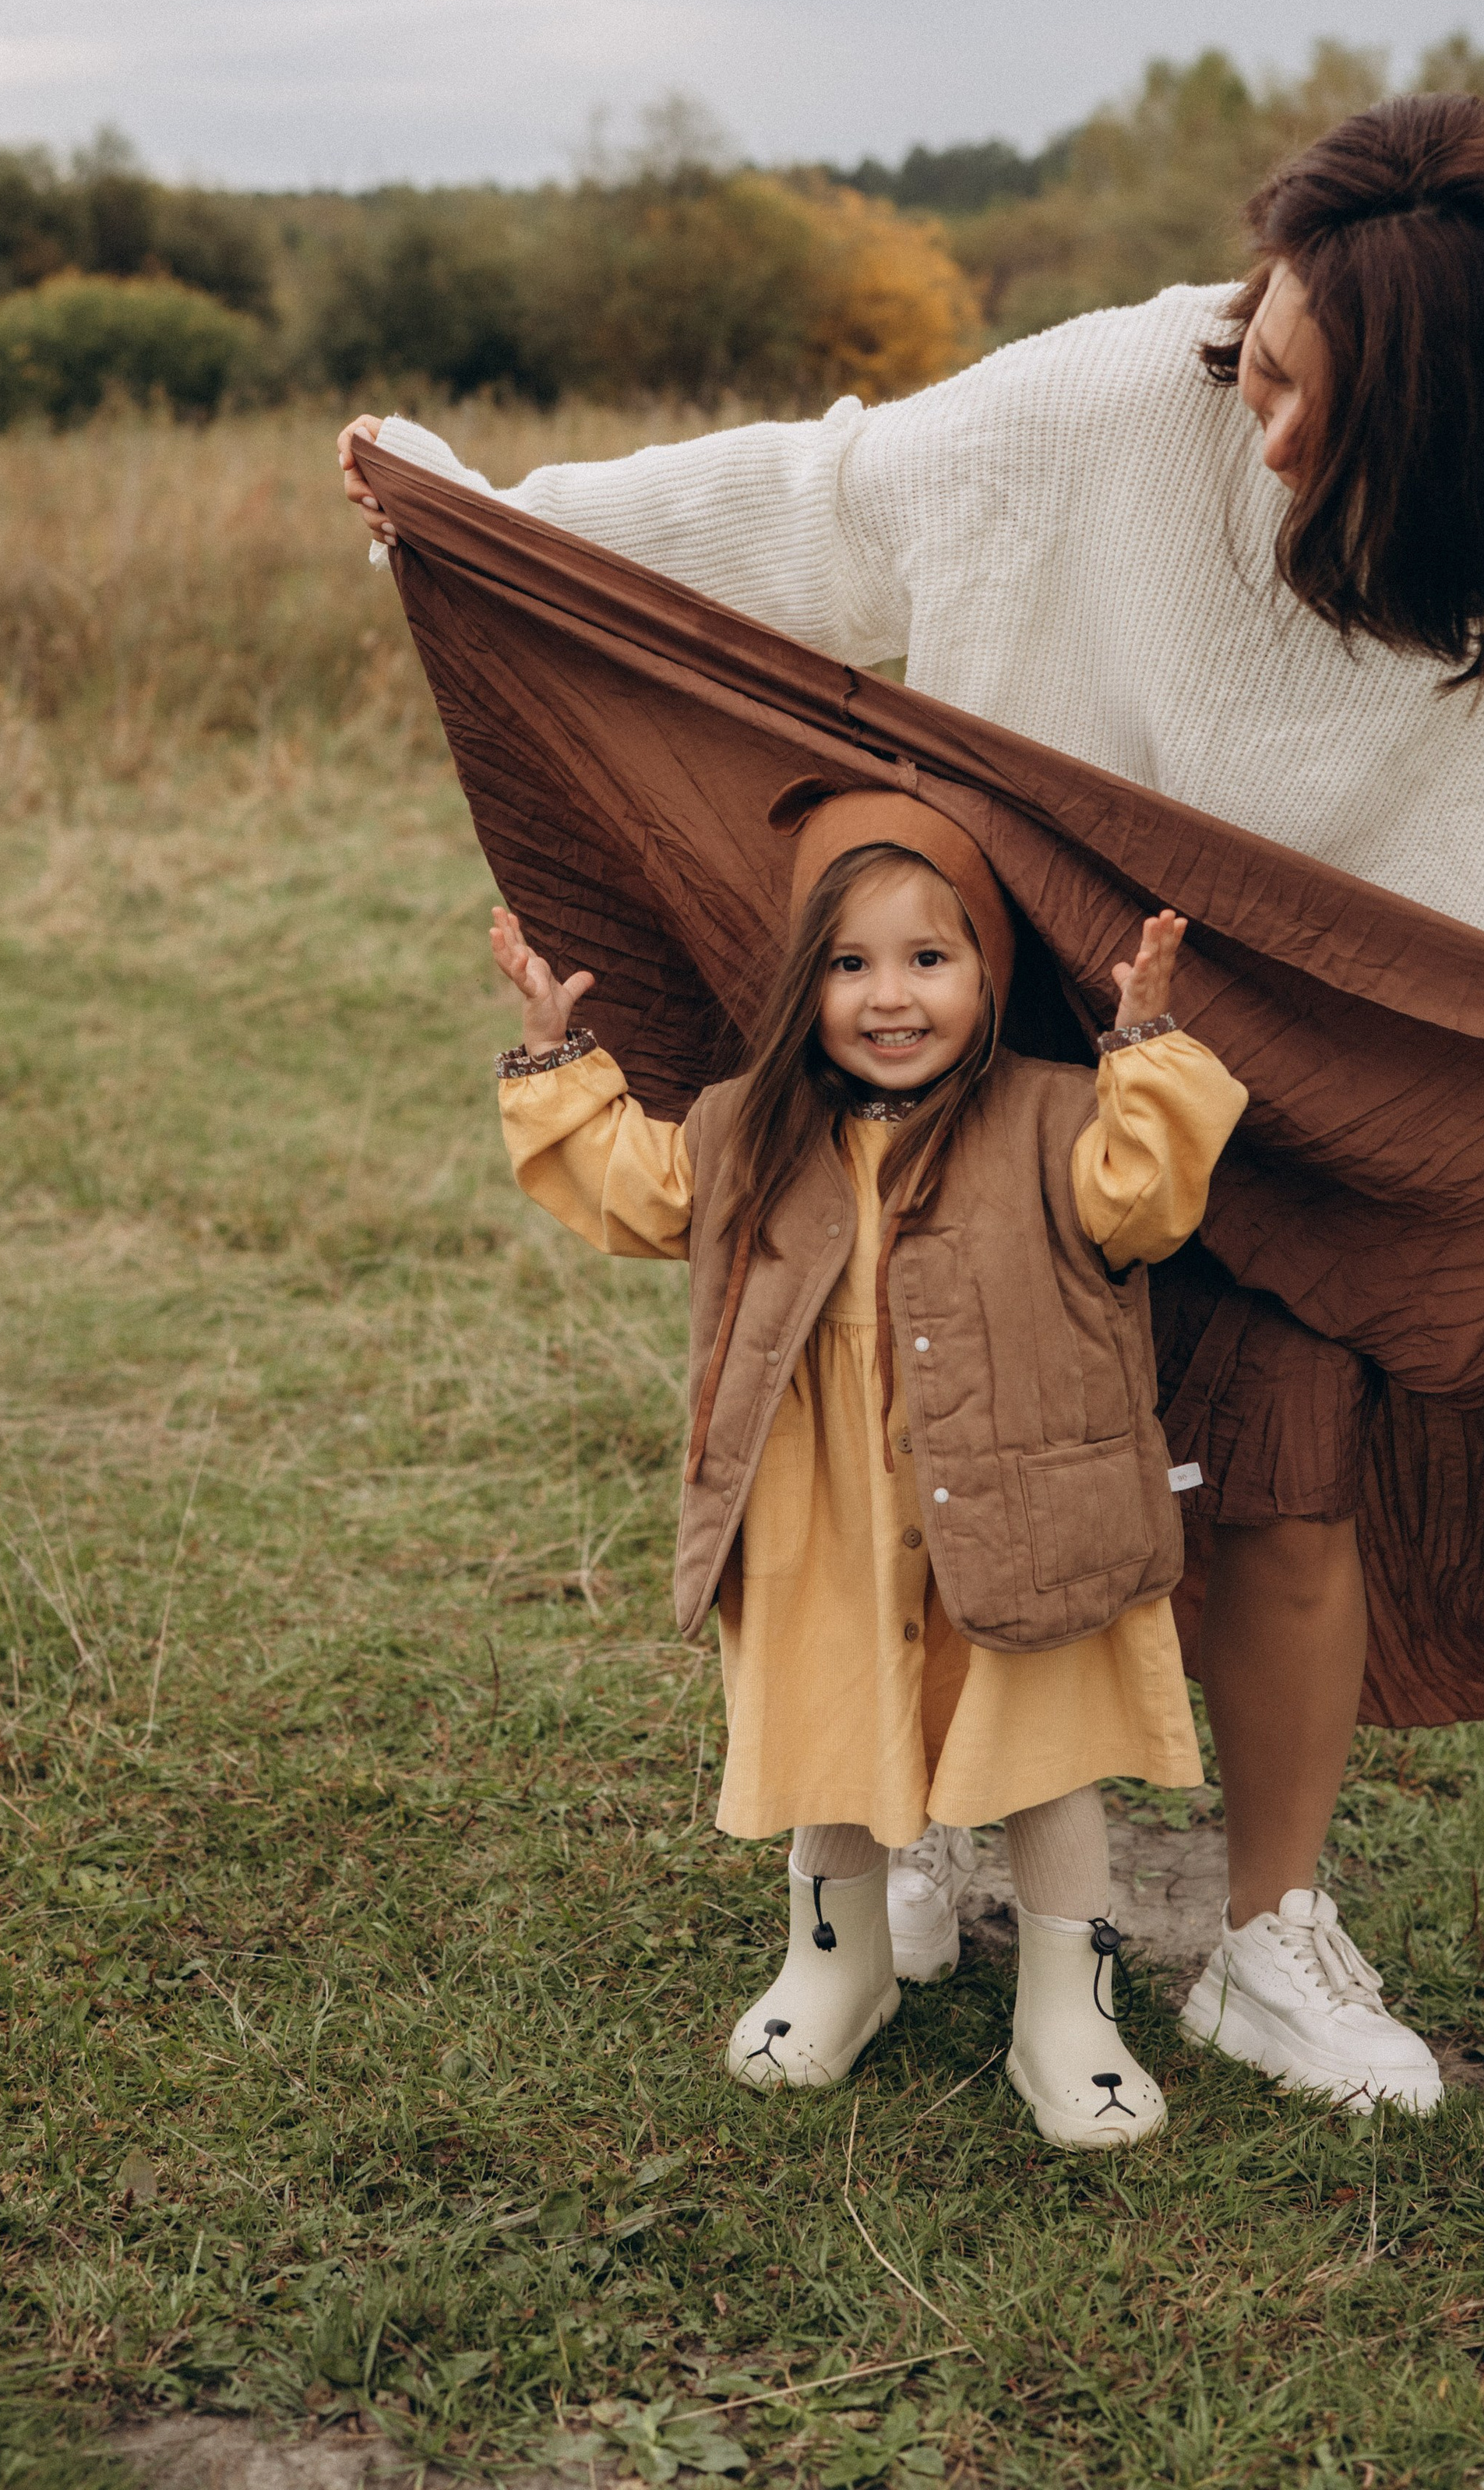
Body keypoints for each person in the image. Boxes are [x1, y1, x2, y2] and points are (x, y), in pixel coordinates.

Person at [343, 92, 1484, 2111]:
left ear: (1473, 434)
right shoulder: (1134, 393)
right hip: (1023, 1036)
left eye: (1333, 407)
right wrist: (487, 513)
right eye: (1270, 357)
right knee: (935, 1433)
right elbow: (834, 501)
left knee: (1291, 1481)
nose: (1272, 429)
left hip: (1300, 1103)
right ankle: (916, 1836)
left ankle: (1266, 1938)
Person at [489, 784, 1251, 2145]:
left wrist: (1144, 1042)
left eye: (928, 959)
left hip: (1021, 1500)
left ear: (987, 975)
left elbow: (1149, 1197)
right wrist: (556, 1064)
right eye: (850, 965)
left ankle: (1065, 2010)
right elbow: (632, 1182)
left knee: (1039, 1739)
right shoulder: (749, 1130)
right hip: (825, 1506)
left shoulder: (1055, 1119)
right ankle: (837, 1966)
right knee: (831, 1723)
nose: (889, 998)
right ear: (805, 986)